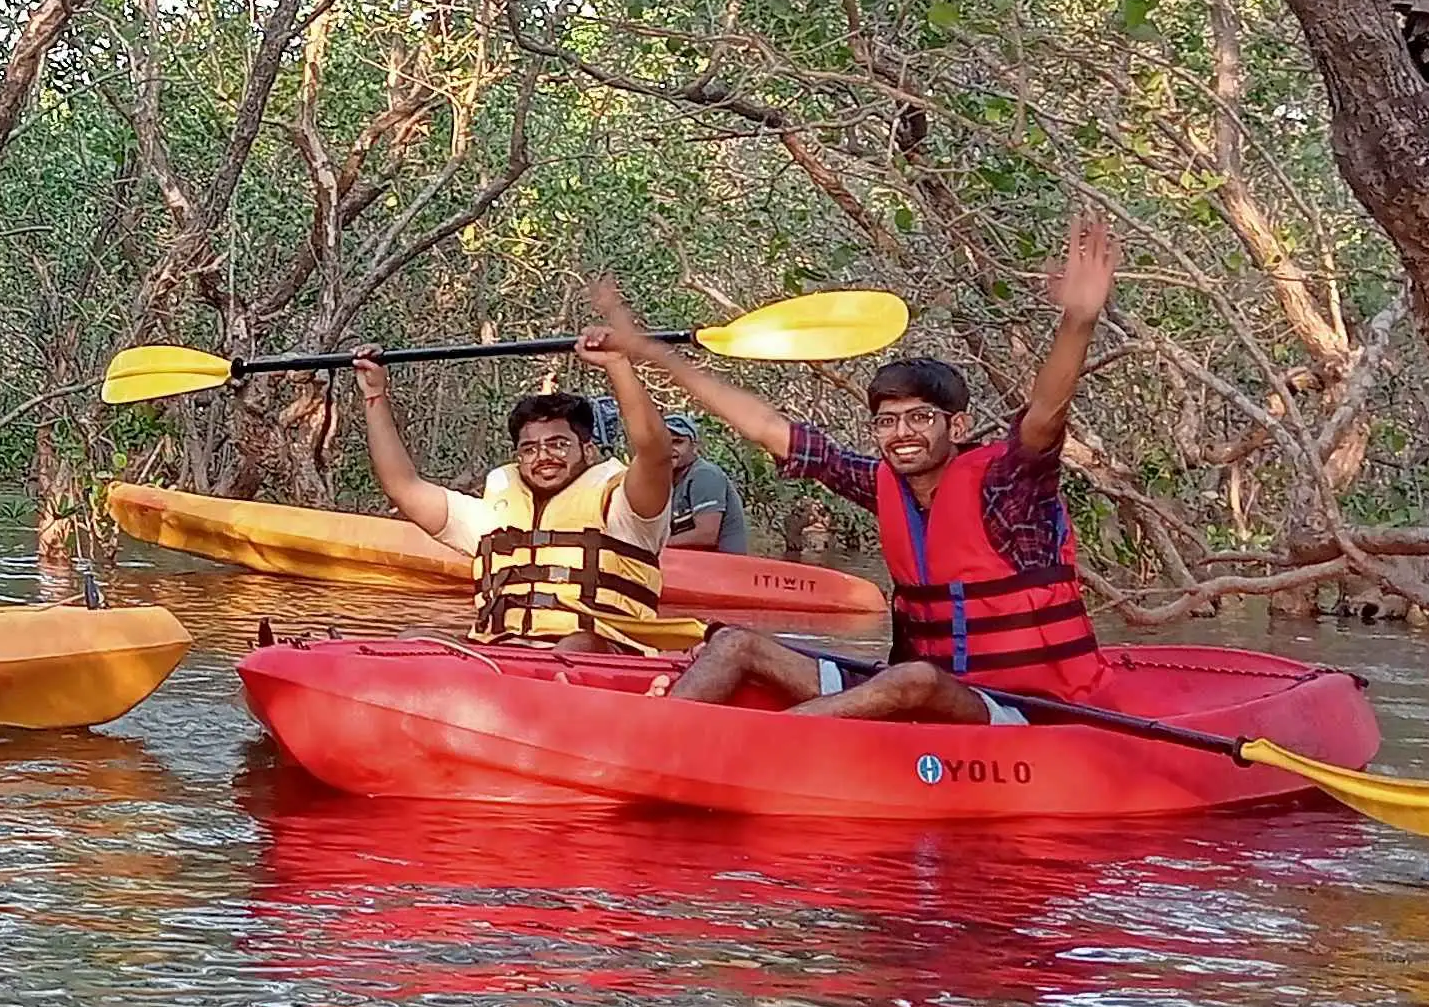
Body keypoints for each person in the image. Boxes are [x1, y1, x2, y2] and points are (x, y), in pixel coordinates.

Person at [614, 215, 1117, 723]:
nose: (902, 434)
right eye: (887, 421)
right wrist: (650, 354)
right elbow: (767, 426)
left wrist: (1079, 321)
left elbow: (1045, 415)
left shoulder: (1010, 490)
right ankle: (656, 737)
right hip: (925, 693)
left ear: (957, 426)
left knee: (914, 677)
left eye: (920, 418)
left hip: (1027, 709)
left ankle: (758, 743)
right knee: (735, 643)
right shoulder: (885, 486)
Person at [351, 314, 677, 642]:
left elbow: (655, 452)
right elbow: (403, 487)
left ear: (589, 451)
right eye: (529, 449)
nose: (543, 457)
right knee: (414, 639)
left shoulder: (623, 505)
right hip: (504, 657)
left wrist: (617, 364)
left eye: (559, 444)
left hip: (599, 658)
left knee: (578, 643)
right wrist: (374, 395)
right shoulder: (495, 513)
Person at [660, 412, 751, 553]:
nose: (670, 448)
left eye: (677, 442)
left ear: (694, 446)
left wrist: (657, 545)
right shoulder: (667, 481)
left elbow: (706, 535)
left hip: (722, 566)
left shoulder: (704, 474)